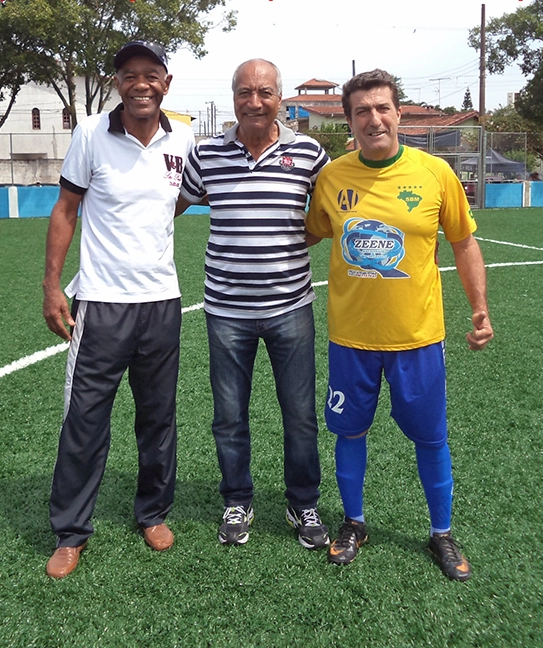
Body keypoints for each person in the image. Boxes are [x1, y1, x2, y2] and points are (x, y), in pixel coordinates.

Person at [305, 69, 493, 581]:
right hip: (351, 340)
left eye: (382, 108)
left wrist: (479, 308)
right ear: (349, 120)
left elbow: (463, 242)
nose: (374, 119)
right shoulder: (333, 178)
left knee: (432, 438)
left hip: (418, 339)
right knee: (350, 432)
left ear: (399, 113)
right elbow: (308, 233)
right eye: (362, 111)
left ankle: (441, 534)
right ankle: (355, 523)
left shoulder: (435, 174)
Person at [41, 40, 194, 579]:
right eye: (130, 75)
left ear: (166, 83)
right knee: (84, 420)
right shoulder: (89, 134)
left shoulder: (185, 137)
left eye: (151, 74)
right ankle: (71, 532)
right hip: (101, 304)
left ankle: (152, 513)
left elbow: (179, 198)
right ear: (118, 84)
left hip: (162, 302)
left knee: (158, 418)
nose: (141, 84)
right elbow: (66, 210)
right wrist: (53, 287)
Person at [176, 59, 331, 549]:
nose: (255, 101)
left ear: (280, 97)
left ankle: (303, 503)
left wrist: (286, 242)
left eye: (265, 92)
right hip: (225, 311)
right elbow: (169, 205)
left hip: (291, 308)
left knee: (300, 414)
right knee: (228, 414)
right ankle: (236, 499)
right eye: (246, 92)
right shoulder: (207, 155)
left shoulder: (309, 152)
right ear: (234, 97)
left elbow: (332, 209)